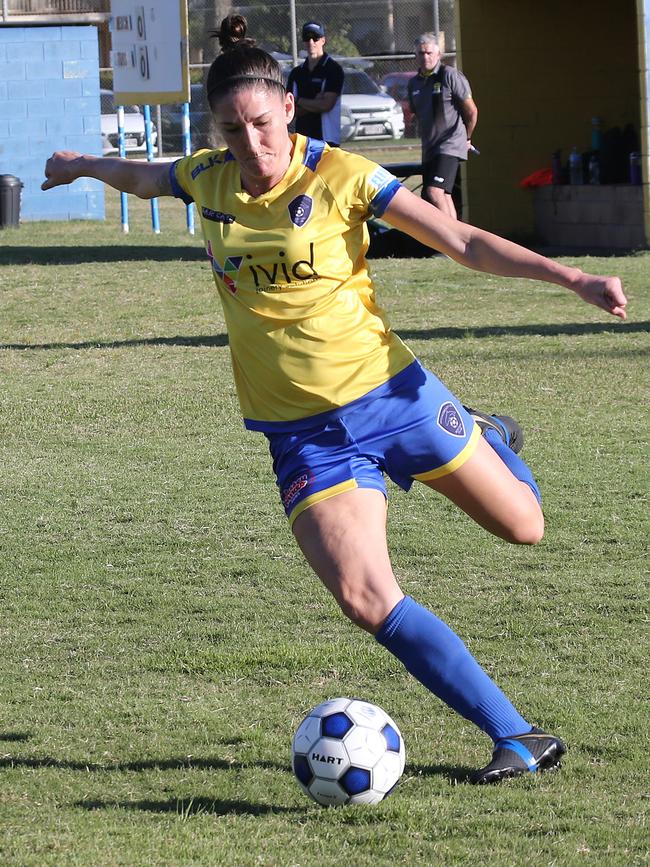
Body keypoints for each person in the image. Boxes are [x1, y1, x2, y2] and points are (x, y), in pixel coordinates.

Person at [41, 22, 628, 785]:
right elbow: (144, 176)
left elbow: (461, 242)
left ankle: (484, 432)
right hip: (304, 435)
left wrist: (573, 280)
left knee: (526, 527)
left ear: (288, 107)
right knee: (363, 594)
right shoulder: (206, 178)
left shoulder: (343, 175)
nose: (250, 143)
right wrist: (81, 164)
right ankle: (516, 734)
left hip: (393, 394)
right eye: (231, 128)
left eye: (260, 123)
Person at [408, 33, 478, 220]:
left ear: (439, 54)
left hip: (449, 145)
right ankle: (457, 244)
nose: (425, 57)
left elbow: (472, 112)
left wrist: (467, 138)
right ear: (415, 55)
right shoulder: (414, 83)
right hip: (430, 148)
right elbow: (417, 114)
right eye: (421, 53)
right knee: (443, 196)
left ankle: (451, 241)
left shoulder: (449, 75)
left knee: (434, 192)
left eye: (429, 53)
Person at [286, 21, 344, 146]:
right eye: (307, 38)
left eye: (315, 38)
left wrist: (299, 100)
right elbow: (291, 109)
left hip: (327, 139)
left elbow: (326, 105)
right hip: (303, 140)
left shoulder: (333, 69)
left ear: (323, 40)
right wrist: (315, 103)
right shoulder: (296, 73)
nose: (311, 42)